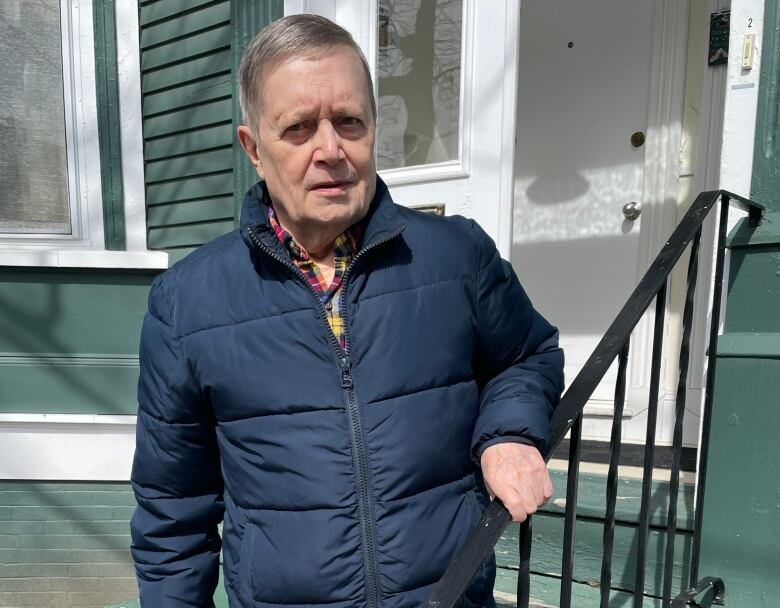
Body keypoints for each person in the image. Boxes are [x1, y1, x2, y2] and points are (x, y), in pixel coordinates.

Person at [130, 14, 564, 608]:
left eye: (349, 122)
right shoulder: (187, 302)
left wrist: (510, 433)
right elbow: (172, 512)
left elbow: (526, 355)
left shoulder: (455, 257)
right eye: (300, 128)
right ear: (253, 149)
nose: (330, 149)